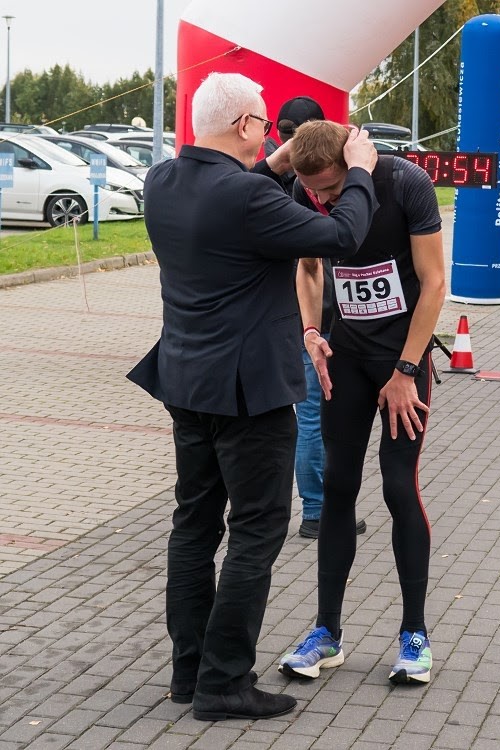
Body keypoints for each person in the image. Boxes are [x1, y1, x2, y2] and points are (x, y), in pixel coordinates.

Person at [126, 72, 378, 722]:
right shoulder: (244, 198)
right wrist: (361, 171)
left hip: (186, 381)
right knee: (257, 530)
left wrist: (274, 160)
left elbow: (238, 199)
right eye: (265, 123)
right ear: (243, 126)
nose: (270, 132)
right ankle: (225, 682)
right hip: (249, 394)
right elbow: (341, 236)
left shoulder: (162, 180)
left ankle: (190, 674)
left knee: (193, 526)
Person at [277, 120, 446, 686]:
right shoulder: (305, 189)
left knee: (399, 486)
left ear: (354, 165)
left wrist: (404, 370)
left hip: (402, 356)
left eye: (330, 189)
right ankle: (326, 632)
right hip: (344, 357)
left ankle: (414, 634)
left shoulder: (406, 184)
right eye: (314, 194)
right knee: (337, 488)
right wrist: (309, 332)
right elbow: (307, 267)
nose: (323, 202)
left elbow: (434, 282)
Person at [263, 95, 367, 540]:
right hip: (322, 319)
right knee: (314, 419)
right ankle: (318, 510)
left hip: (301, 318)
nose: (323, 194)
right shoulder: (307, 189)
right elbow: (317, 259)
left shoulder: (273, 185)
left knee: (311, 417)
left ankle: (317, 508)